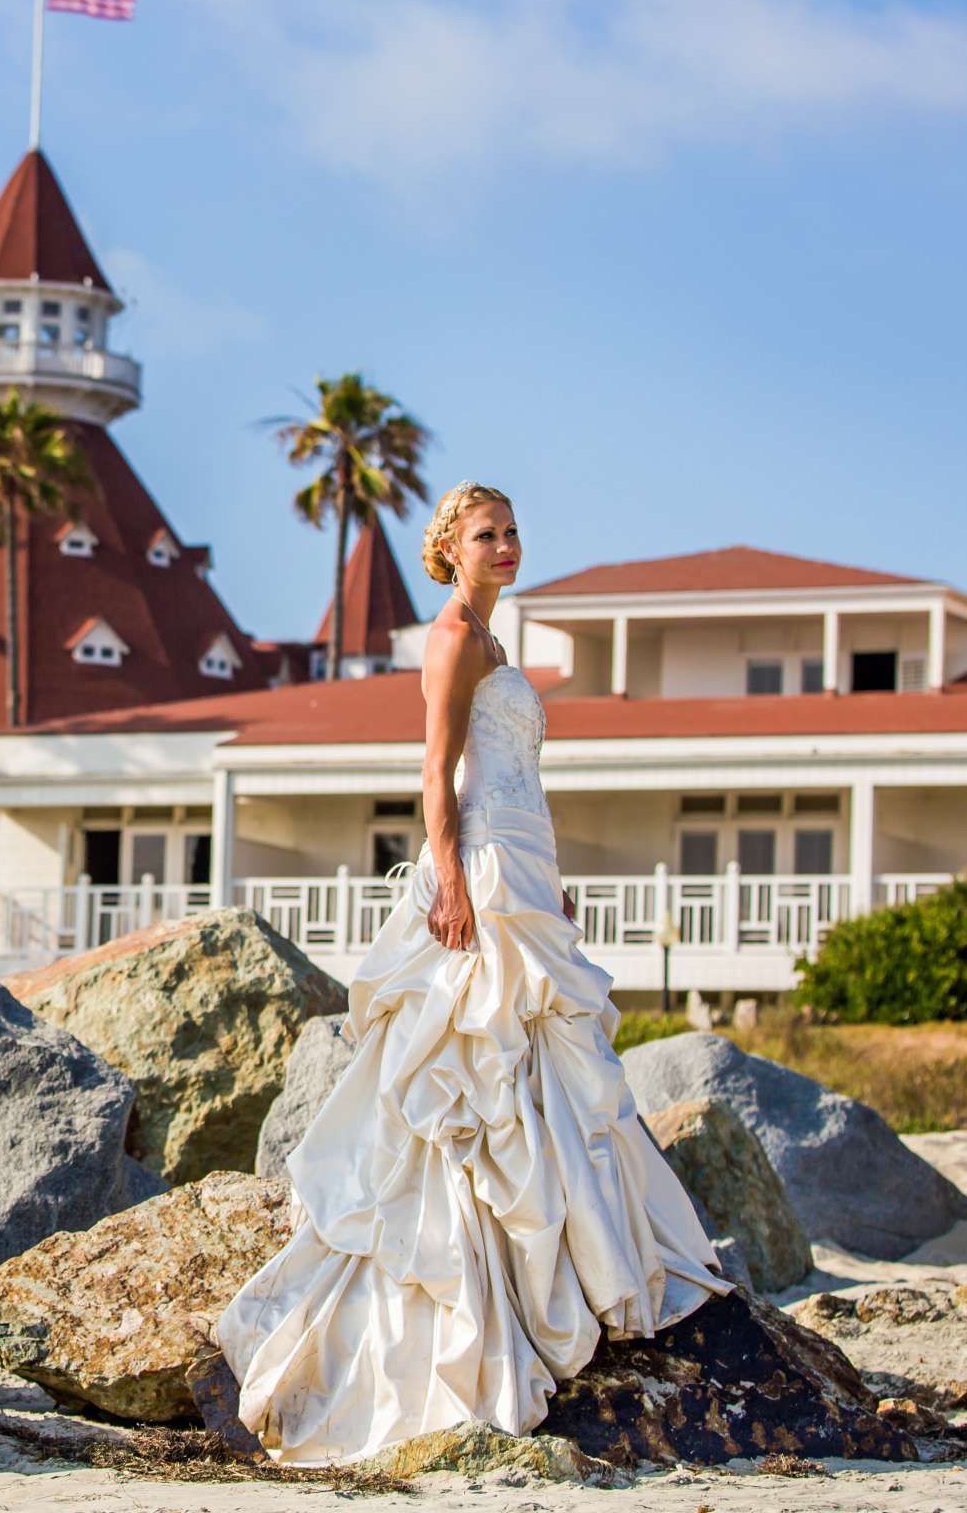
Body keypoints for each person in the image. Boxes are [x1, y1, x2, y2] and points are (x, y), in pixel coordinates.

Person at [210, 480, 728, 1466]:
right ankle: (474, 1304)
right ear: (448, 549)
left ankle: (569, 1278)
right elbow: (439, 771)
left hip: (526, 873)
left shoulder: (497, 647)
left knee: (552, 1075)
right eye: (487, 533)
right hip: (479, 876)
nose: (507, 545)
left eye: (514, 531)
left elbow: (521, 777)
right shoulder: (451, 638)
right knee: (472, 1076)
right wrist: (450, 883)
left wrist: (556, 885)